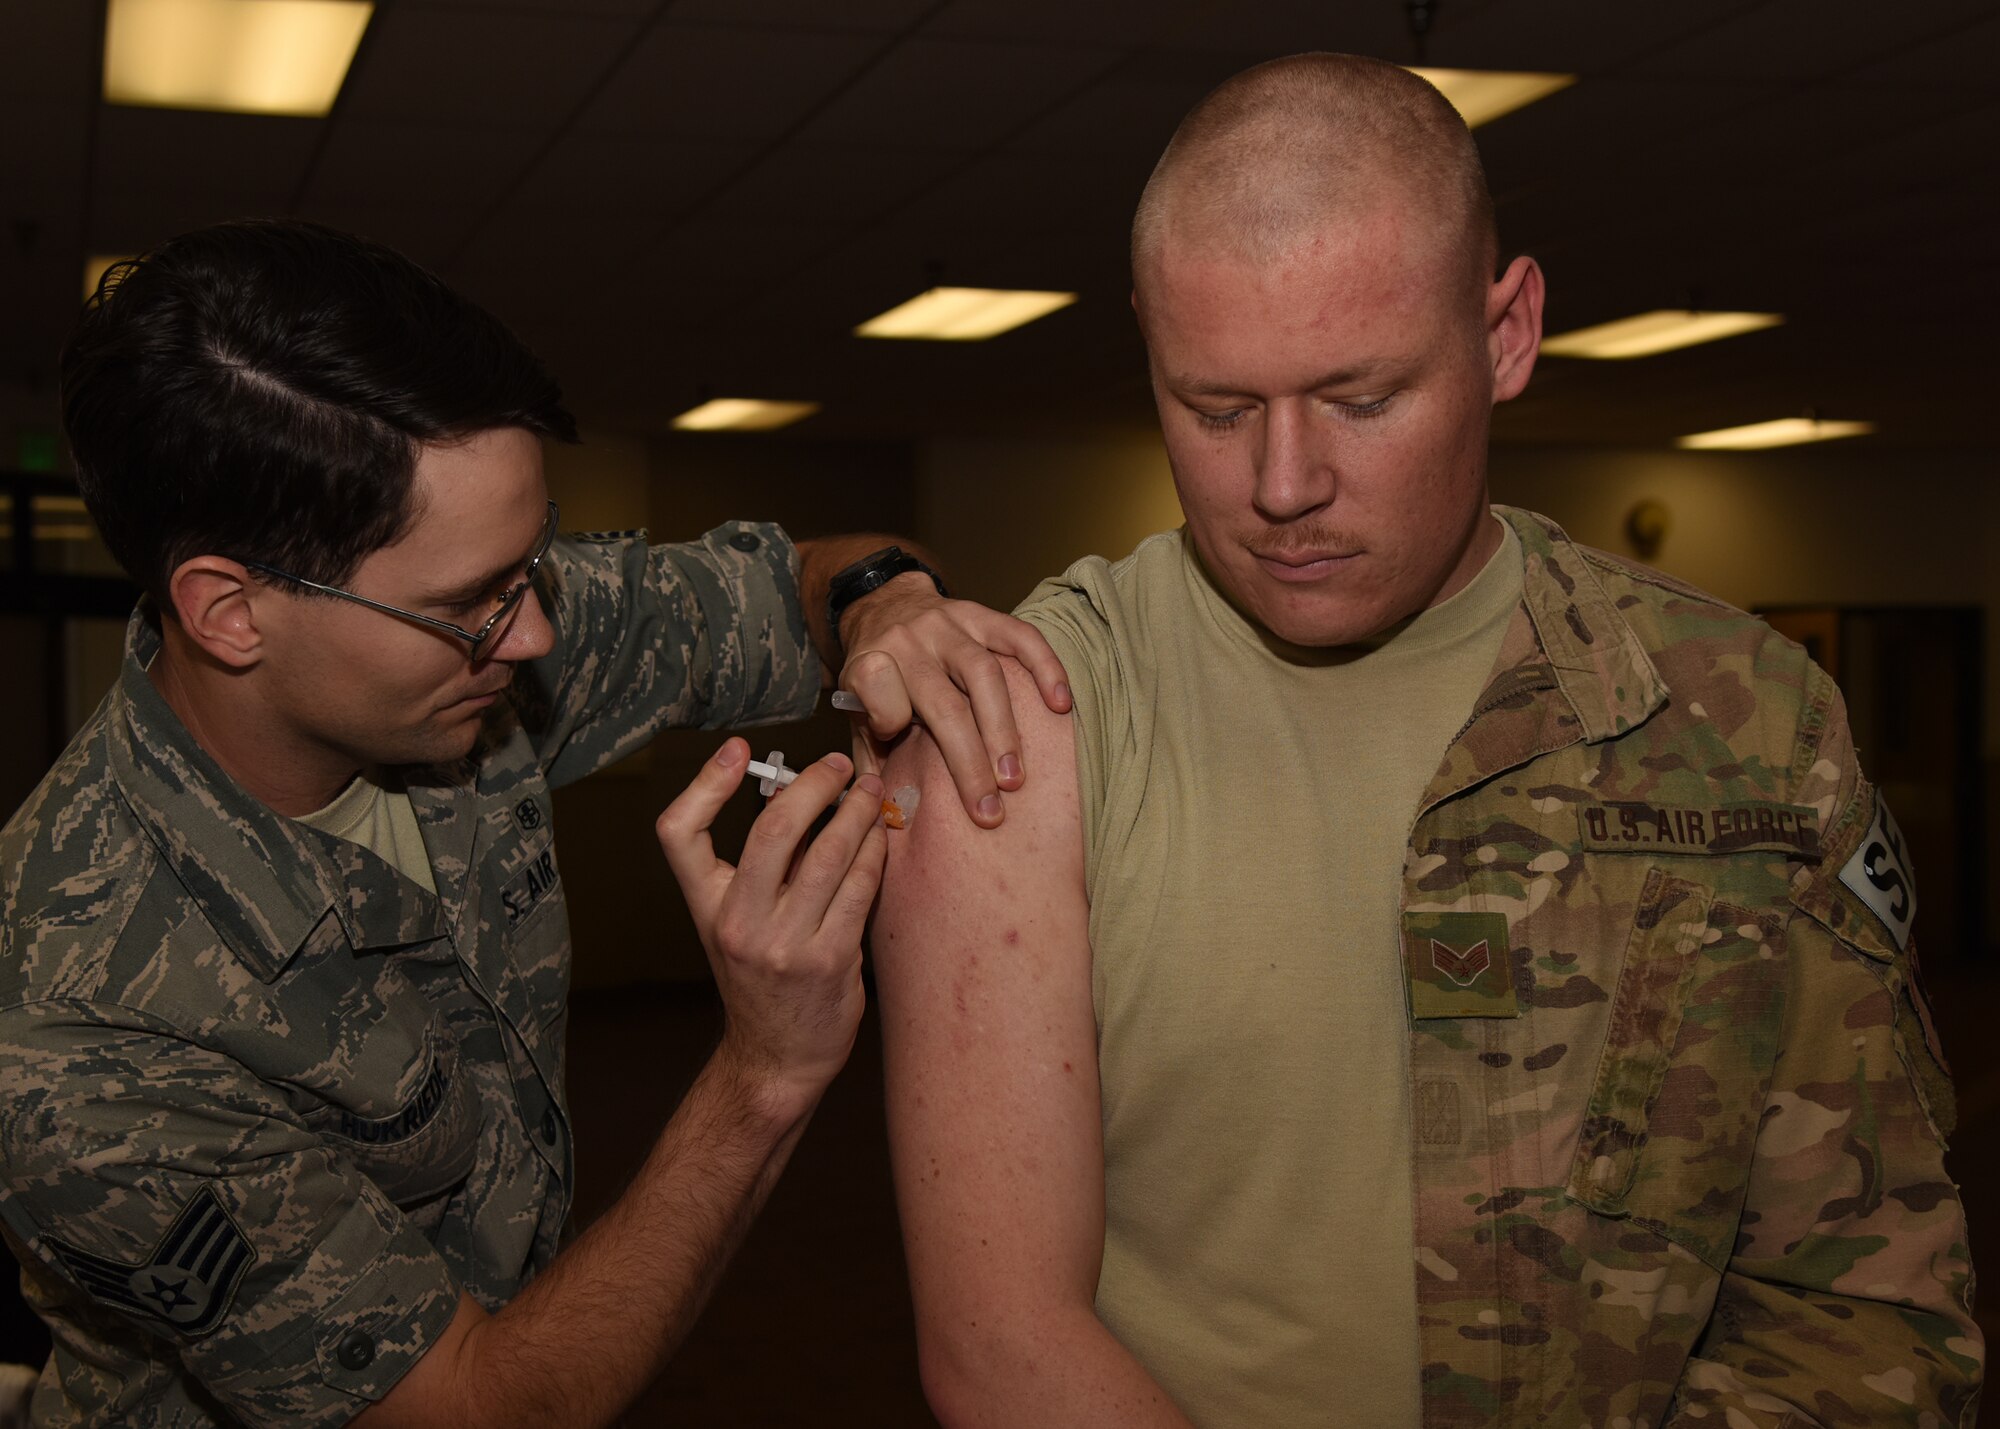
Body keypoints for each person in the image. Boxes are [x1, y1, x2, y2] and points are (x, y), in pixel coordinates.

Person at [871, 53, 1981, 1428]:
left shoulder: (1745, 724)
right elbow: (999, 1349)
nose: (1285, 487)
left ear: (1507, 334)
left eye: (1362, 399)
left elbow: (1867, 1309)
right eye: (1215, 409)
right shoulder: (1029, 722)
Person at [0, 218, 1070, 1427]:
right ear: (230, 613)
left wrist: (888, 604)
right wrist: (763, 1071)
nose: (536, 637)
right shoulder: (73, 1034)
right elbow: (474, 1411)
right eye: (468, 604)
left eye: (531, 566)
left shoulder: (472, 656)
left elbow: (813, 577)